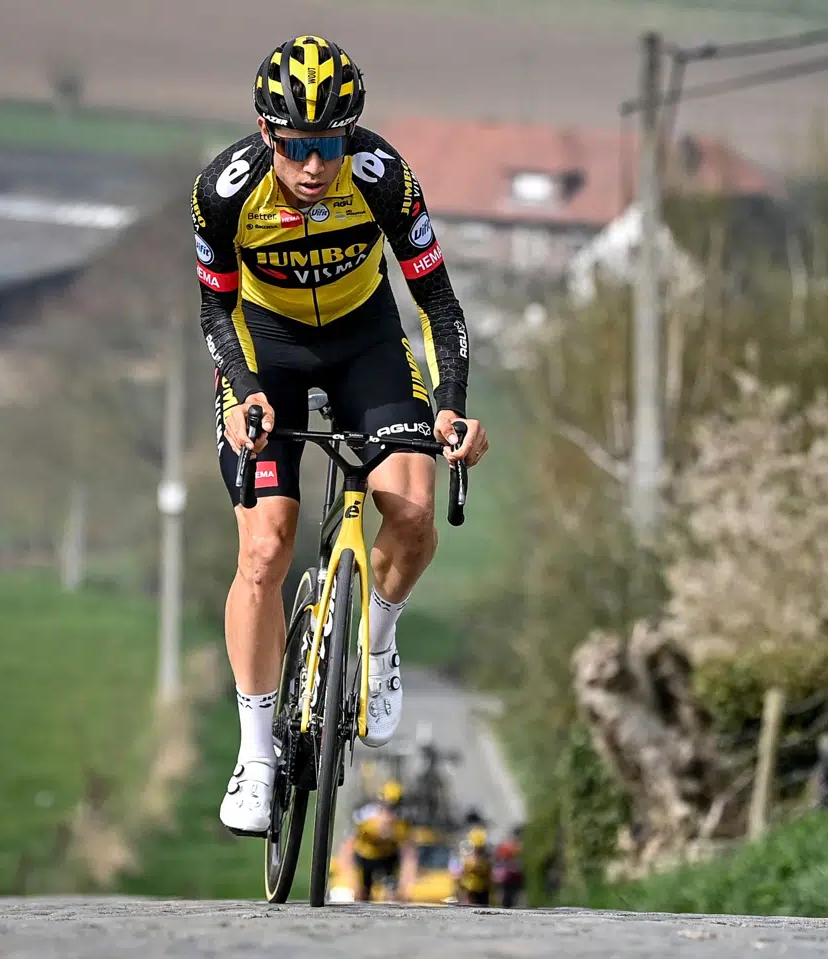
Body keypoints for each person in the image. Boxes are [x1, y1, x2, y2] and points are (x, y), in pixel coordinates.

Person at [193, 34, 490, 836]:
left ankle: (379, 642)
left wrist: (453, 403)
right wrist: (243, 391)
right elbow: (215, 307)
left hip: (364, 341)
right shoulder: (225, 194)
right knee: (265, 549)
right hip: (266, 348)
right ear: (267, 135)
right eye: (297, 147)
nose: (315, 165)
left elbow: (440, 306)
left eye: (331, 144)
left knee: (414, 511)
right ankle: (256, 755)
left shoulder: (384, 178)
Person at [348, 780, 414, 901]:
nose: (390, 813)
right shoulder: (365, 818)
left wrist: (406, 883)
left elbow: (408, 853)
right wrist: (351, 879)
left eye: (395, 808)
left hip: (388, 857)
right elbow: (348, 846)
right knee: (362, 893)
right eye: (387, 807)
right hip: (365, 856)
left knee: (392, 892)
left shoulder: (403, 822)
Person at [450, 823, 493, 906]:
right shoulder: (466, 857)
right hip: (469, 890)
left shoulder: (485, 859)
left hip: (482, 889)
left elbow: (488, 874)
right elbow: (458, 874)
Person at [492, 824, 525, 909]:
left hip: (510, 876)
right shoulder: (513, 846)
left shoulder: (510, 845)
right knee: (508, 895)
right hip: (509, 875)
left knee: (510, 894)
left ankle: (506, 906)